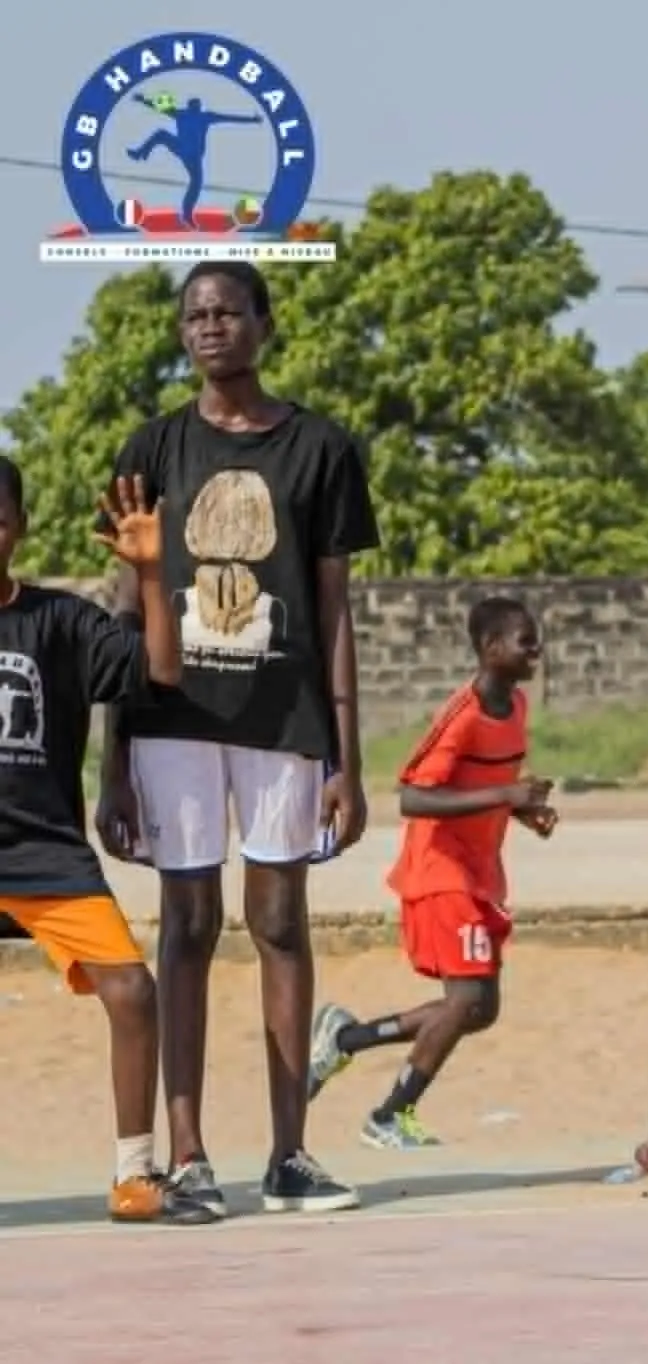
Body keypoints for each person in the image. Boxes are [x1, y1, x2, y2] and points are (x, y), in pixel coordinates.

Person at [95, 259, 378, 1220]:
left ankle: (290, 1154)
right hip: (171, 721)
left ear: (264, 323)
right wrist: (113, 763)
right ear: (183, 333)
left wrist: (346, 757)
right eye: (195, 315)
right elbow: (127, 606)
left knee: (281, 923)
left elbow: (334, 611)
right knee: (186, 926)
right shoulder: (153, 446)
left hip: (283, 716)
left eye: (227, 311)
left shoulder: (321, 448)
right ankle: (189, 1156)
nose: (210, 326)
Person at [0, 458, 209, 1223]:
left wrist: (152, 572)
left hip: (44, 851)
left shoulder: (58, 622)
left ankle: (133, 1176)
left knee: (133, 991)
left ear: (20, 528)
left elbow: (161, 669)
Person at [304, 597, 555, 1148]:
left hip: (480, 871)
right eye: (525, 640)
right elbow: (414, 798)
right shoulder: (462, 715)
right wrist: (506, 795)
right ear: (491, 648)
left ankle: (346, 1040)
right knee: (464, 1002)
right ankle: (389, 1115)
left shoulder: (515, 706)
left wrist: (522, 809)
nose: (536, 649)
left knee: (479, 1010)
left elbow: (481, 789)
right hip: (441, 871)